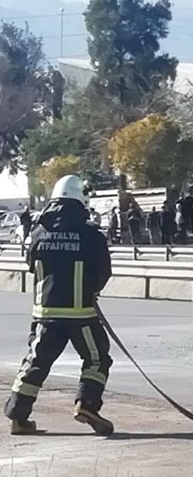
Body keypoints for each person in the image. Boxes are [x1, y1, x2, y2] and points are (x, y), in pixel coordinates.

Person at [4, 175, 114, 436]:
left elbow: (31, 265)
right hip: (82, 315)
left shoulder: (38, 232)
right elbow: (103, 273)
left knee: (35, 363)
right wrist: (91, 290)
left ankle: (18, 417)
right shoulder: (90, 235)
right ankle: (86, 405)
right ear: (81, 200)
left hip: (46, 314)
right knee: (97, 358)